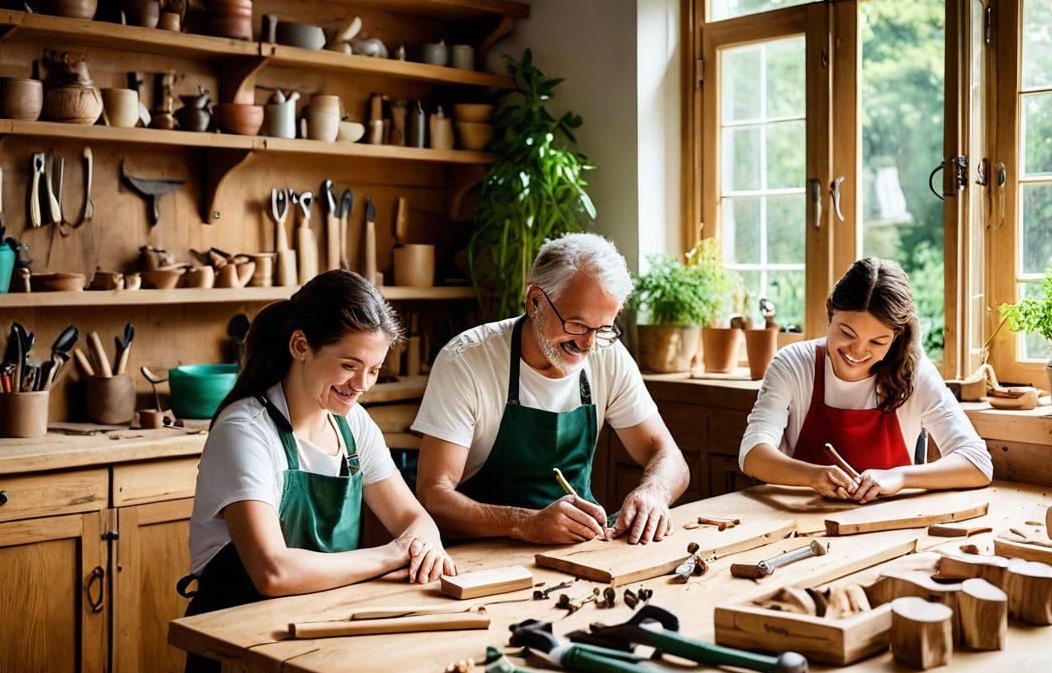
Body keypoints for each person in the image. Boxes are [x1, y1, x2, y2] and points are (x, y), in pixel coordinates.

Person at [175, 270, 454, 673]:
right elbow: (273, 571)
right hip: (241, 646)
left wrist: (424, 547)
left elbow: (414, 518)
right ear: (300, 346)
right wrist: (390, 554)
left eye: (374, 369)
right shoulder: (245, 430)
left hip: (318, 635)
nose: (362, 384)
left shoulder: (353, 425)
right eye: (348, 365)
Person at [415, 233, 690, 544]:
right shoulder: (467, 360)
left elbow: (669, 456)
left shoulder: (607, 355)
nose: (587, 344)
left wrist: (654, 493)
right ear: (535, 300)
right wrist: (525, 523)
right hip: (477, 552)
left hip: (575, 548)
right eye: (576, 324)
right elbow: (433, 495)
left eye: (602, 329)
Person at [740, 257, 992, 502]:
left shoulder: (914, 372)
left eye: (877, 342)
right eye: (847, 333)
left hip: (888, 526)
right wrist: (814, 476)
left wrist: (901, 476)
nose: (858, 352)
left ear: (895, 338)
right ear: (831, 314)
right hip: (801, 523)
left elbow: (977, 462)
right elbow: (752, 454)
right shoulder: (793, 364)